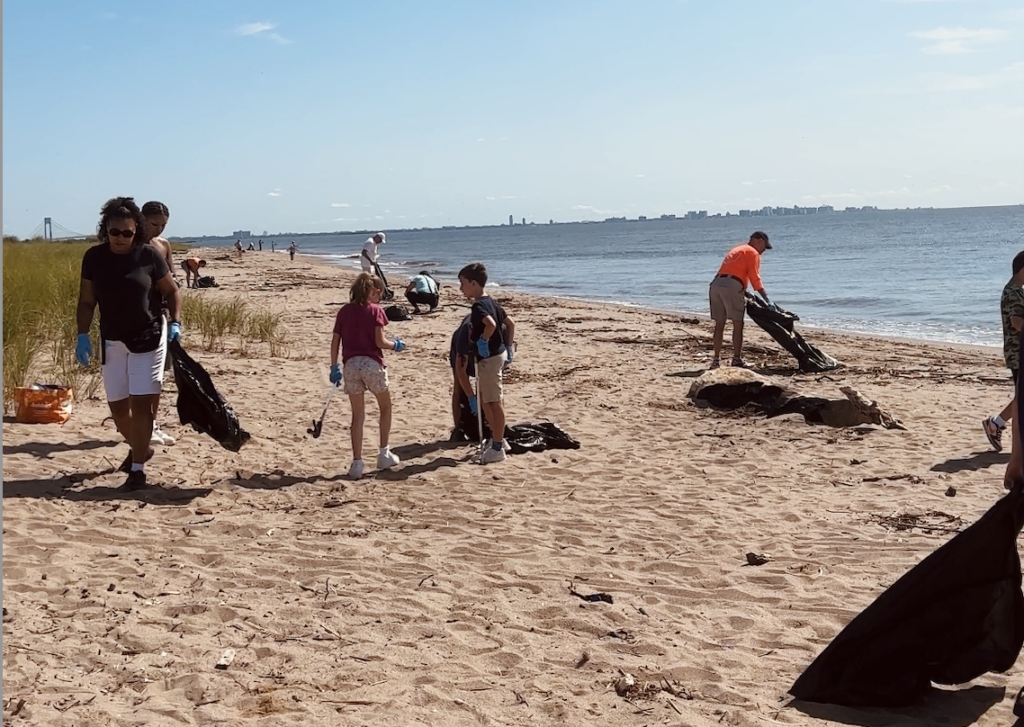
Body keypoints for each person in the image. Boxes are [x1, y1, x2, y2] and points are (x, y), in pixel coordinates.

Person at [76, 197, 183, 490]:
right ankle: (142, 447)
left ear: (136, 230)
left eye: (127, 232)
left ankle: (137, 470)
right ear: (105, 230)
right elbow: (87, 301)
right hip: (113, 340)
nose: (121, 238)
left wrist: (175, 322)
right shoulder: (94, 258)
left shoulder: (149, 255)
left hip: (148, 337)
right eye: (115, 232)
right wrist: (81, 334)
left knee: (142, 404)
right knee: (119, 410)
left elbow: (172, 291)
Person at [330, 273, 407, 480]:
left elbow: (336, 340)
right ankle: (383, 453)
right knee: (385, 407)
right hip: (372, 363)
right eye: (378, 292)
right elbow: (380, 342)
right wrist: (396, 346)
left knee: (358, 416)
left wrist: (333, 366)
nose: (379, 296)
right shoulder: (375, 311)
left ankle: (356, 463)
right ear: (371, 291)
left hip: (351, 365)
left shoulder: (344, 311)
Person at [459, 262, 515, 463]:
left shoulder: (479, 306)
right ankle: (498, 438)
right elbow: (510, 324)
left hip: (490, 358)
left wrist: (483, 340)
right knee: (485, 401)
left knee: (493, 402)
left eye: (463, 283)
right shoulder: (492, 302)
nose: (461, 288)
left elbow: (491, 324)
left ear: (473, 283)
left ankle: (498, 447)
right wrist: (508, 347)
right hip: (494, 356)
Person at [708, 231, 776, 369]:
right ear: (759, 241)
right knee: (737, 324)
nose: (763, 251)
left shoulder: (737, 249)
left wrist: (744, 290)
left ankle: (716, 360)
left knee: (719, 324)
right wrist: (767, 299)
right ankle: (737, 359)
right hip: (732, 286)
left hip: (715, 285)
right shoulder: (752, 252)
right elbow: (755, 279)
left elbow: (733, 271)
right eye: (764, 247)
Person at [142, 201, 176, 447]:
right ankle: (142, 425)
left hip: (161, 317)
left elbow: (171, 282)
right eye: (154, 224)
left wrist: (175, 320)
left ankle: (152, 424)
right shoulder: (131, 245)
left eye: (163, 225)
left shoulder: (163, 246)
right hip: (138, 316)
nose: (158, 229)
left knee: (158, 377)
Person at [984, 251, 1024, 451]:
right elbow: (1017, 323)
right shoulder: (1013, 292)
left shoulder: (1015, 291)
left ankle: (996, 423)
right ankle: (995, 424)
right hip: (1018, 353)